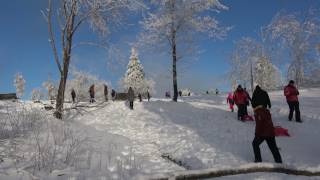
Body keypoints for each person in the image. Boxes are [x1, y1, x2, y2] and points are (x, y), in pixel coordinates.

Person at [251, 85, 282, 163]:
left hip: (263, 133)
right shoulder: (265, 111)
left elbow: (259, 124)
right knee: (273, 148)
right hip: (270, 132)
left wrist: (257, 134)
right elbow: (267, 121)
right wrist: (269, 104)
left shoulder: (258, 112)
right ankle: (279, 162)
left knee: (255, 144)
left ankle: (258, 160)